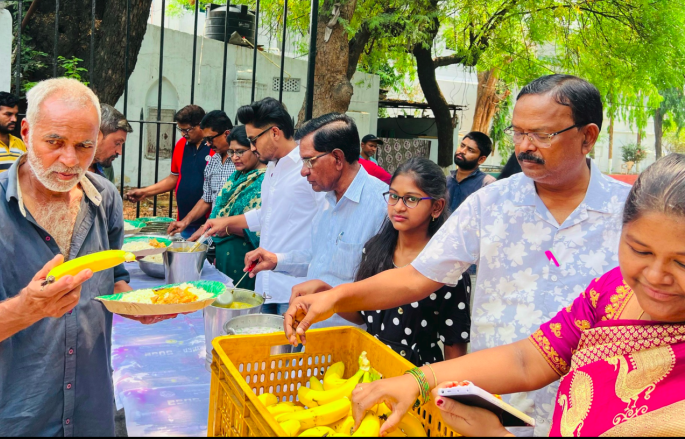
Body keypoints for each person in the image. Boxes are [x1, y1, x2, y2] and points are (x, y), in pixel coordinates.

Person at [282, 74, 632, 434]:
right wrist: (337, 296)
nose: (524, 147)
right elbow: (417, 276)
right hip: (493, 413)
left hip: (594, 414)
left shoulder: (631, 216)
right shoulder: (491, 204)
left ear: (587, 136)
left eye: (541, 135)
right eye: (517, 132)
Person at [350, 153, 685, 437]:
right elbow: (528, 360)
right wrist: (421, 380)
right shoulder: (612, 292)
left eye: (682, 262)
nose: (656, 276)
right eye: (640, 251)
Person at [0, 78, 172, 436]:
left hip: (87, 411)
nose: (70, 160)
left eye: (84, 145)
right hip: (3, 418)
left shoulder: (104, 198)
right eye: (54, 142)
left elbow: (115, 276)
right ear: (26, 131)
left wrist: (136, 304)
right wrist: (25, 309)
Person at [314, 157, 470, 365]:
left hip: (418, 378)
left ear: (436, 207)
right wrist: (326, 293)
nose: (399, 207)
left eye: (411, 199)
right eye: (394, 196)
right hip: (369, 367)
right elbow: (362, 315)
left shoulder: (448, 269)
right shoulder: (375, 250)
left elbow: (455, 349)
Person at [242, 113, 389, 326]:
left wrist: (331, 295)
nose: (303, 171)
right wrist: (277, 260)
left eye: (309, 161)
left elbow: (386, 291)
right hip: (311, 333)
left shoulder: (383, 207)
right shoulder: (325, 201)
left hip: (349, 339)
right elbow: (317, 257)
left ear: (338, 159)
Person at [201, 97, 323, 315]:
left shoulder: (307, 168)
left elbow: (327, 225)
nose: (251, 147)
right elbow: (267, 214)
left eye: (253, 140)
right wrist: (226, 222)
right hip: (266, 285)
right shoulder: (272, 169)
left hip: (295, 289)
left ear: (275, 133)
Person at [190, 125, 265, 287]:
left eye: (240, 151)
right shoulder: (236, 177)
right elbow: (219, 214)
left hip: (246, 257)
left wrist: (228, 228)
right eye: (231, 152)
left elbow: (264, 226)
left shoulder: (265, 181)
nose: (234, 157)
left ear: (255, 148)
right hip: (224, 254)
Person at [126, 105, 213, 238]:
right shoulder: (181, 145)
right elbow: (174, 178)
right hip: (183, 220)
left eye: (187, 130)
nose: (183, 134)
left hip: (208, 222)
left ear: (200, 125)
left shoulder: (214, 148)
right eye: (181, 129)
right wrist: (145, 192)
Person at [168, 110, 236, 236]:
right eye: (206, 139)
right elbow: (207, 198)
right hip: (213, 236)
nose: (208, 144)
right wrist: (185, 221)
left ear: (226, 134)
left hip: (234, 237)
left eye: (210, 139)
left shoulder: (242, 162)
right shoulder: (214, 161)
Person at [446, 131, 495, 214]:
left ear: (481, 159)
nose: (462, 151)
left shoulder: (487, 184)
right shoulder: (446, 180)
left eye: (470, 150)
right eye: (462, 146)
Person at [89, 103, 133, 180]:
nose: (120, 152)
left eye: (121, 144)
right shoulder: (67, 169)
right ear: (96, 136)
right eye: (117, 143)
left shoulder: (106, 169)